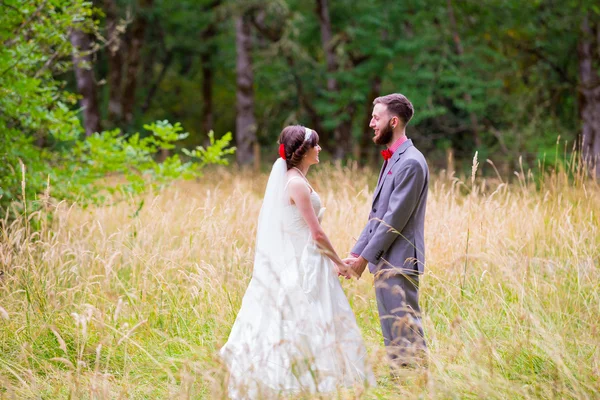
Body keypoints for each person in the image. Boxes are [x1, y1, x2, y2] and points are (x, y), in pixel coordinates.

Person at [220, 125, 375, 399]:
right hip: (303, 263)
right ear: (303, 151)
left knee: (316, 318)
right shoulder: (295, 184)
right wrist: (340, 262)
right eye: (315, 145)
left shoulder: (297, 179)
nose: (320, 149)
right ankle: (298, 379)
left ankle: (317, 377)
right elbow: (316, 232)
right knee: (302, 319)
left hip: (311, 259)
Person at [344, 93, 429, 370]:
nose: (371, 123)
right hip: (386, 261)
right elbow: (376, 216)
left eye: (376, 118)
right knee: (394, 333)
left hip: (401, 261)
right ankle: (401, 386)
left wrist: (363, 260)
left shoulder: (411, 162)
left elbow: (394, 219)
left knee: (407, 333)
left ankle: (415, 386)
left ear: (393, 121)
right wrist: (356, 252)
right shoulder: (392, 160)